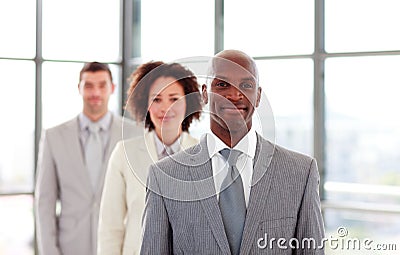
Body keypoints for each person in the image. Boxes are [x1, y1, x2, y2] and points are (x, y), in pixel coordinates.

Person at [140, 50, 325, 254]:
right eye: (222, 85)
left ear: (258, 96)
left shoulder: (300, 173)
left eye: (246, 85)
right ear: (204, 93)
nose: (234, 95)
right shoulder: (164, 177)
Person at [35, 62, 141, 255]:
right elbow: (45, 203)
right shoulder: (54, 137)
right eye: (89, 86)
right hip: (69, 246)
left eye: (102, 85)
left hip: (120, 246)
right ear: (79, 88)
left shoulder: (135, 133)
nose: (96, 93)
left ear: (112, 88)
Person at [97, 61, 202, 255]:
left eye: (174, 99)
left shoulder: (205, 154)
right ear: (144, 104)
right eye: (156, 99)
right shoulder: (124, 153)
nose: (165, 108)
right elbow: (110, 227)